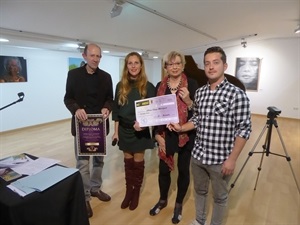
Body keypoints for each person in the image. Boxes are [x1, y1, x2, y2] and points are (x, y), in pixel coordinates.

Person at [169, 46, 252, 225]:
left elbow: (244, 129)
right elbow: (197, 119)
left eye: (216, 62)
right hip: (198, 156)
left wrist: (232, 159)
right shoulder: (200, 93)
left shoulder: (236, 95)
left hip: (221, 160)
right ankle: (199, 221)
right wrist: (181, 128)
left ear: (225, 65)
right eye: (207, 63)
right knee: (200, 192)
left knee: (220, 198)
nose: (211, 67)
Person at [64, 43, 114, 218]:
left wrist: (107, 107)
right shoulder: (73, 75)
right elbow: (68, 98)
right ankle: (84, 197)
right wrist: (76, 109)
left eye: (98, 56)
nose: (96, 59)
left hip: (99, 127)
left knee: (99, 162)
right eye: (92, 55)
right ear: (84, 56)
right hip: (81, 127)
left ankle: (95, 188)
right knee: (83, 163)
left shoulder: (106, 77)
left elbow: (110, 98)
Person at [149, 51, 198, 224]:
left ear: (183, 65)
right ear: (166, 67)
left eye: (178, 63)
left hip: (185, 134)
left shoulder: (191, 84)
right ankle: (163, 200)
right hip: (166, 134)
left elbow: (198, 113)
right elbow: (155, 112)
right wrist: (156, 135)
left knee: (183, 171)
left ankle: (178, 205)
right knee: (163, 171)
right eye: (171, 64)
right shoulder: (159, 86)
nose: (175, 66)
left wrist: (189, 100)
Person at [112, 52, 155, 211]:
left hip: (140, 132)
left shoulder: (148, 87)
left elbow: (153, 112)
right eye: (130, 63)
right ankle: (128, 191)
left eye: (136, 63)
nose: (133, 66)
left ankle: (136, 192)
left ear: (141, 65)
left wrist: (143, 125)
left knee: (138, 165)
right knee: (127, 164)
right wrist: (116, 132)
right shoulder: (120, 85)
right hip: (124, 131)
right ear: (126, 66)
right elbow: (116, 111)